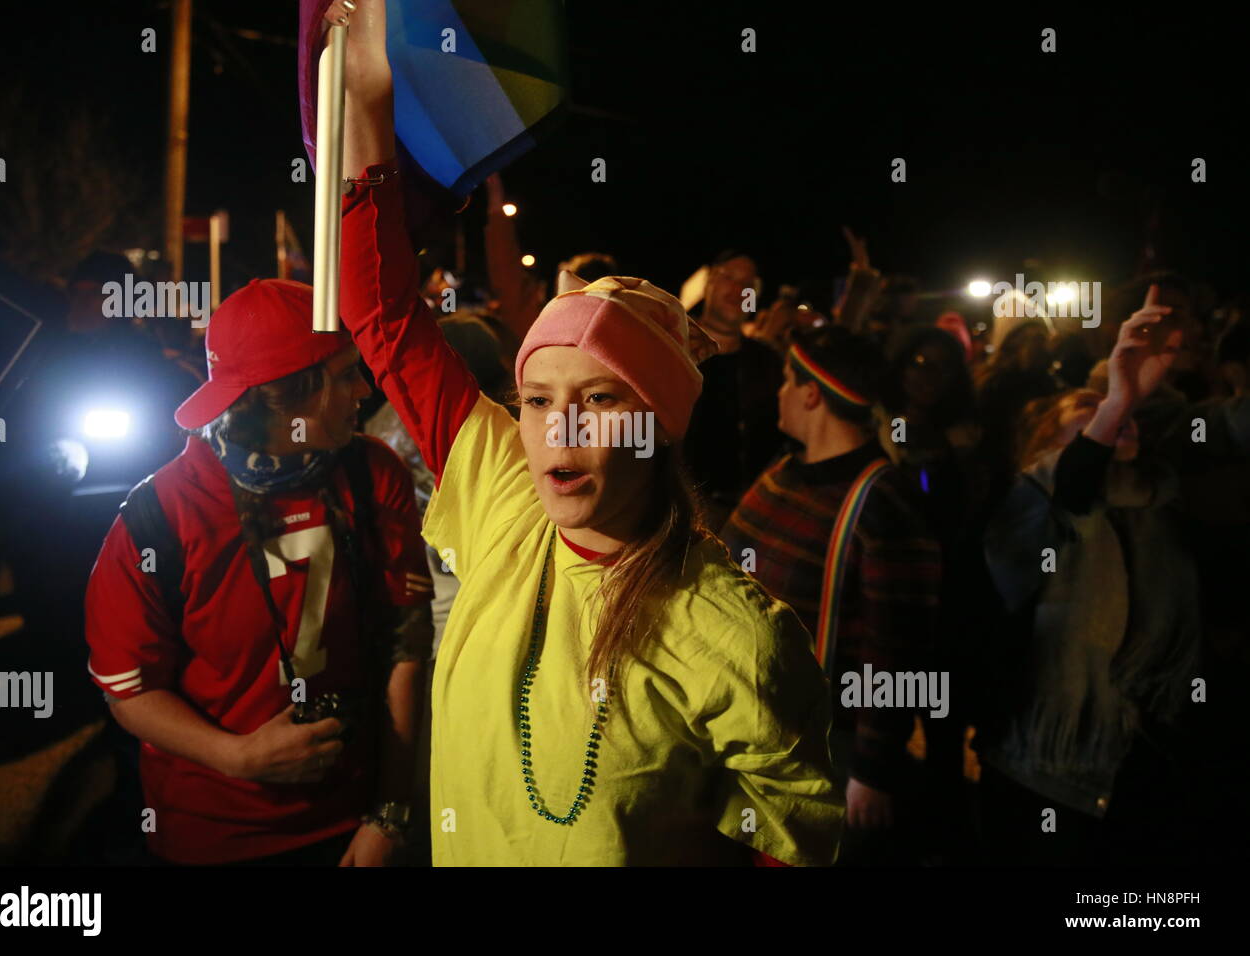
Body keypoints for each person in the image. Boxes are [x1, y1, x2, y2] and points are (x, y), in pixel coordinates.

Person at [325, 0, 842, 866]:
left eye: (598, 400)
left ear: (658, 425)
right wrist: (368, 95)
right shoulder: (502, 495)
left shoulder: (737, 636)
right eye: (534, 399)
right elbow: (380, 312)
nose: (556, 427)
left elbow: (790, 841)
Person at [84, 278, 433, 866]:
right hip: (215, 835)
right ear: (284, 394)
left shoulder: (374, 472)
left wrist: (390, 812)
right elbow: (130, 688)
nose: (363, 389)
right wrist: (236, 756)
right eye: (345, 374)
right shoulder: (160, 514)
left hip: (353, 821)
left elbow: (406, 642)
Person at [979, 286, 1204, 864]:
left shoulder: (1160, 500)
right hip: (1045, 769)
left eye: (1117, 418)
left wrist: (1136, 394)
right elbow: (1072, 490)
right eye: (1084, 426)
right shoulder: (1031, 505)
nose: (1110, 424)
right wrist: (1112, 403)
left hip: (1146, 760)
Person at [719, 325, 941, 865]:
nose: (778, 392)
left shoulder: (881, 503)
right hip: (754, 739)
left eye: (787, 381)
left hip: (825, 755)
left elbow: (898, 649)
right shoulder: (785, 471)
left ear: (812, 394)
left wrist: (871, 770)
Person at [682, 250, 786, 530]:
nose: (738, 290)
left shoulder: (768, 363)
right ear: (707, 284)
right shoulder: (672, 353)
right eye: (728, 278)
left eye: (748, 284)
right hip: (684, 518)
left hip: (753, 517)